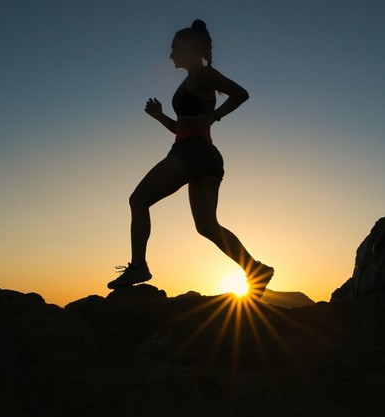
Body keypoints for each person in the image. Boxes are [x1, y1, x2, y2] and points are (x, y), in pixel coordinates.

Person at [108, 19, 274, 298]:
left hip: (192, 152)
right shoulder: (193, 79)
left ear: (188, 46)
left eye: (174, 48)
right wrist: (160, 116)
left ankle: (138, 266)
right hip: (205, 155)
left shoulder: (201, 75)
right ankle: (256, 269)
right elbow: (182, 127)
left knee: (138, 200)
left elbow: (241, 94)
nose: (170, 54)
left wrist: (214, 115)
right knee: (207, 226)